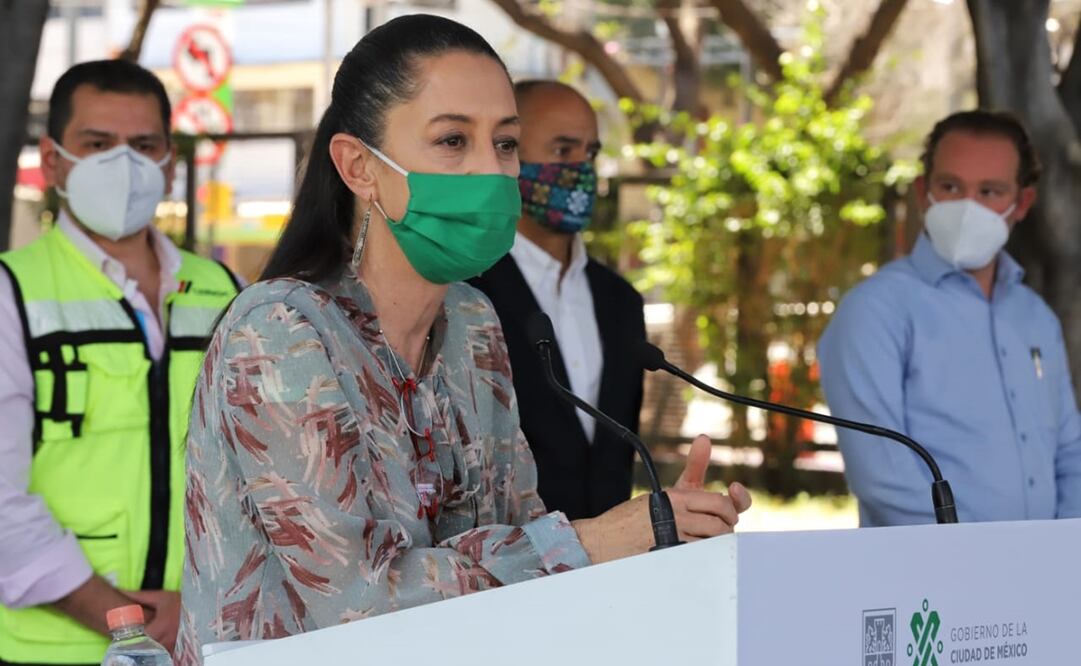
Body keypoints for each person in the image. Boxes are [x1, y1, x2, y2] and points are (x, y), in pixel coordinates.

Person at [175, 15, 751, 662]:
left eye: (505, 144)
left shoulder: (474, 325)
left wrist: (658, 542)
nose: (490, 172)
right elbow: (353, 602)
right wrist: (588, 542)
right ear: (358, 166)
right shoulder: (278, 334)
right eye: (452, 141)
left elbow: (517, 541)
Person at [0, 60, 240, 664]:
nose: (124, 164)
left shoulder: (225, 290)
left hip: (203, 638)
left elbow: (257, 473)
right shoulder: (13, 292)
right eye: (98, 144)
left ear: (169, 162)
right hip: (51, 649)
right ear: (54, 162)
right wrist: (125, 621)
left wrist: (202, 605)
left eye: (143, 145)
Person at [818, 110, 1081, 526]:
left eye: (990, 191)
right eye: (951, 186)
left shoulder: (1035, 317)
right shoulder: (875, 311)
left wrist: (1064, 554)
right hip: (930, 581)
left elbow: (1070, 450)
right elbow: (882, 477)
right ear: (924, 192)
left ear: (1022, 203)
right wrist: (969, 564)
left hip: (1046, 576)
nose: (967, 207)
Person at [469, 80, 644, 520]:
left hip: (613, 569)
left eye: (591, 154)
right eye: (563, 152)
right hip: (508, 569)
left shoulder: (621, 301)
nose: (581, 170)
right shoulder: (466, 293)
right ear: (507, 156)